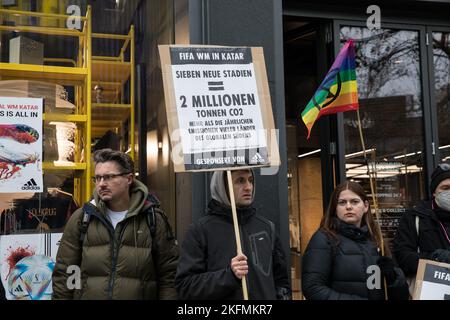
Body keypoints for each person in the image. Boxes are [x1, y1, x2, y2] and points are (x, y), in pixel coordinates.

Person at [52, 149, 178, 299]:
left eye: (109, 177)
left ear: (129, 179)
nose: (101, 184)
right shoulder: (82, 218)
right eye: (97, 178)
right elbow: (65, 273)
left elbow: (169, 276)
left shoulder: (153, 219)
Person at [175, 169, 291, 300]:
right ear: (222, 186)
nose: (248, 187)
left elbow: (281, 283)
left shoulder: (267, 228)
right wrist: (228, 276)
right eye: (240, 181)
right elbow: (185, 287)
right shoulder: (200, 230)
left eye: (250, 180)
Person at [302, 181, 409, 300]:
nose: (348, 206)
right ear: (335, 208)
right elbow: (313, 288)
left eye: (354, 201)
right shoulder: (324, 239)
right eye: (342, 202)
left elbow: (401, 295)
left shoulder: (376, 241)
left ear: (366, 206)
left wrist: (393, 279)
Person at [394, 163, 450, 279]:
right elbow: (403, 257)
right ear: (434, 192)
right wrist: (435, 258)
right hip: (430, 288)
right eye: (445, 188)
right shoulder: (415, 217)